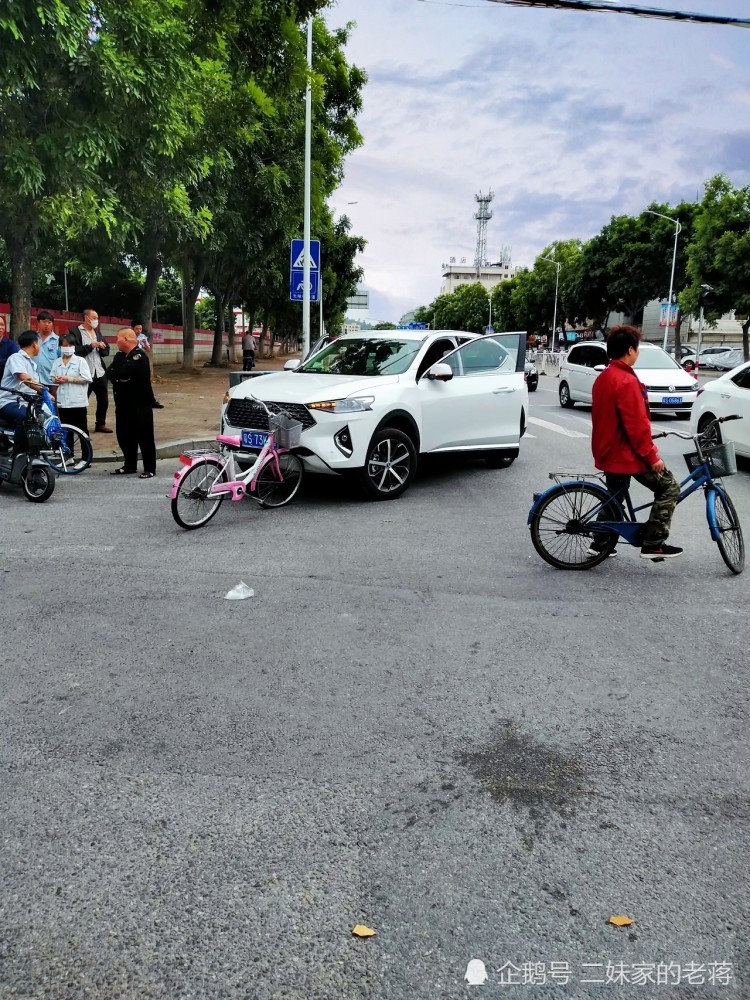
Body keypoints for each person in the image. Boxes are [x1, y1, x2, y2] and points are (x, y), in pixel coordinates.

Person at [591, 324, 682, 560]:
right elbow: (636, 426)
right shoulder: (626, 381)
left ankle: (600, 543)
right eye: (637, 349)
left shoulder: (604, 377)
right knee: (669, 487)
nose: (637, 353)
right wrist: (652, 457)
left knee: (614, 496)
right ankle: (653, 542)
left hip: (608, 450)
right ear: (630, 350)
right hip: (625, 454)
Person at [106, 327, 156, 478]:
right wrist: (119, 376)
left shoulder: (139, 357)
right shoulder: (120, 356)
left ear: (126, 339)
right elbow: (111, 373)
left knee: (145, 437)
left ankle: (150, 468)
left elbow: (123, 373)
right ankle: (130, 465)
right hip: (123, 404)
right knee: (125, 435)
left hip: (140, 404)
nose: (116, 341)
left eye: (118, 338)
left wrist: (119, 376)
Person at [68, 308, 112, 433]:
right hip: (84, 374)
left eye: (97, 318)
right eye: (94, 318)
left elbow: (107, 351)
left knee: (103, 399)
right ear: (86, 318)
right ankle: (81, 426)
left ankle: (100, 424)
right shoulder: (75, 332)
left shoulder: (98, 333)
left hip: (99, 371)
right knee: (82, 400)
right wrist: (90, 346)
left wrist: (102, 348)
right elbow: (73, 350)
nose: (96, 320)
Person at [50, 334, 93, 441]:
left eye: (70, 345)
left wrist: (68, 379)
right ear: (60, 347)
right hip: (63, 402)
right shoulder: (57, 362)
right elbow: (52, 378)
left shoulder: (80, 361)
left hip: (77, 402)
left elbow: (87, 379)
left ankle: (86, 454)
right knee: (66, 429)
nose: (68, 348)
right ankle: (69, 455)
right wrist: (57, 380)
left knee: (82, 429)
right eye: (65, 345)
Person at [0, 330, 43, 428]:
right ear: (35, 344)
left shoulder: (32, 364)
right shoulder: (16, 358)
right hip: (10, 401)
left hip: (26, 403)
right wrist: (44, 390)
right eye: (39, 344)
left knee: (43, 418)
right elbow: (24, 378)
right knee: (27, 417)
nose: (40, 347)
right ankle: (19, 444)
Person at [131, 318, 163, 409]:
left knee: (146, 383)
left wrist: (145, 343)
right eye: (137, 329)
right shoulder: (129, 336)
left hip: (141, 363)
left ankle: (152, 401)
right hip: (132, 363)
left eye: (140, 329)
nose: (139, 331)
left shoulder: (142, 336)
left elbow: (149, 350)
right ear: (132, 328)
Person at [35, 311, 60, 387]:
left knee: (52, 399)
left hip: (51, 380)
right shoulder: (33, 338)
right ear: (38, 323)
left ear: (52, 324)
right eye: (43, 322)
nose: (46, 324)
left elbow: (62, 359)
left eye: (49, 322)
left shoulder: (58, 340)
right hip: (34, 380)